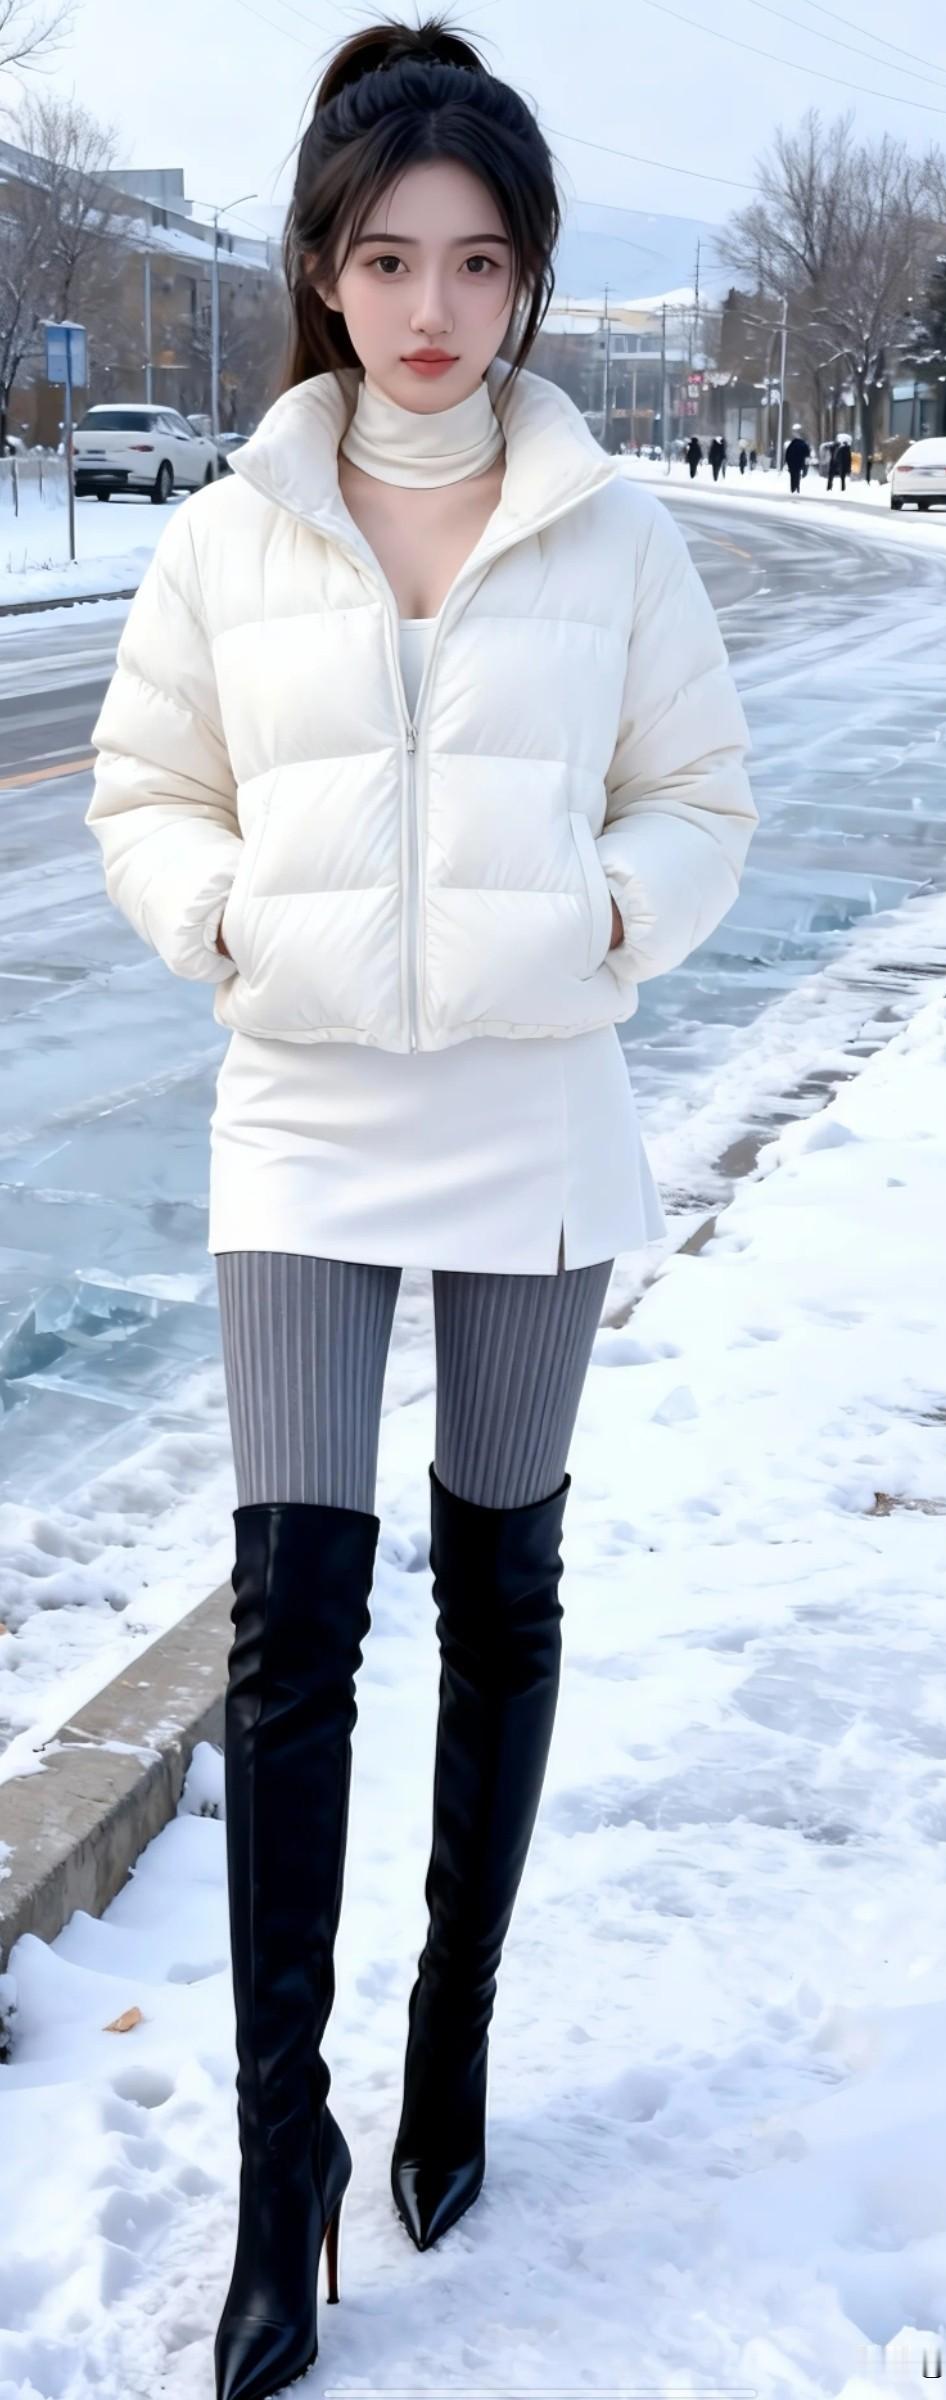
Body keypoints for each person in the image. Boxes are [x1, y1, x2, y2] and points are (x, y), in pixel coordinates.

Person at [84, 15, 759, 2400]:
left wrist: (599, 920)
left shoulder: (615, 531)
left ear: (531, 276)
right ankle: (282, 2158)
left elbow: (700, 797)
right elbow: (145, 783)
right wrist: (224, 920)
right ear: (322, 269)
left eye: (479, 261)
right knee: (293, 1621)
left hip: (533, 1119)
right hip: (302, 1120)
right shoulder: (227, 532)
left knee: (501, 1582)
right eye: (389, 259)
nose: (435, 306)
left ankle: (451, 2021)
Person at [785, 427, 811, 494]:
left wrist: (788, 463)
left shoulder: (791, 445)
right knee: (797, 475)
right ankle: (797, 488)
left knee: (792, 476)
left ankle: (793, 488)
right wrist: (805, 467)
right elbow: (807, 456)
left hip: (792, 464)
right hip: (800, 463)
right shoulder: (804, 445)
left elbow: (787, 454)